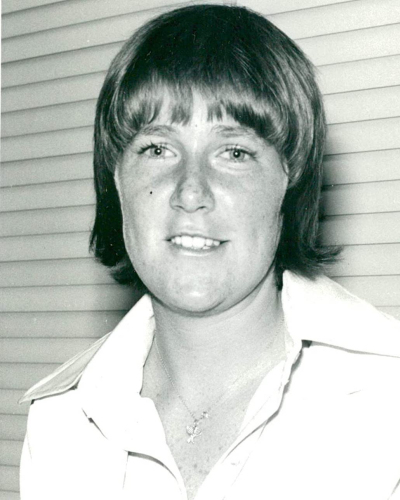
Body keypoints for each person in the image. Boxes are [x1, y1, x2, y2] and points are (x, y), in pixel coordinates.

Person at [20, 4, 400, 500]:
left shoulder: (387, 400)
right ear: (116, 180)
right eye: (157, 149)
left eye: (235, 152)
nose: (191, 191)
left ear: (291, 180)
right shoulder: (60, 422)